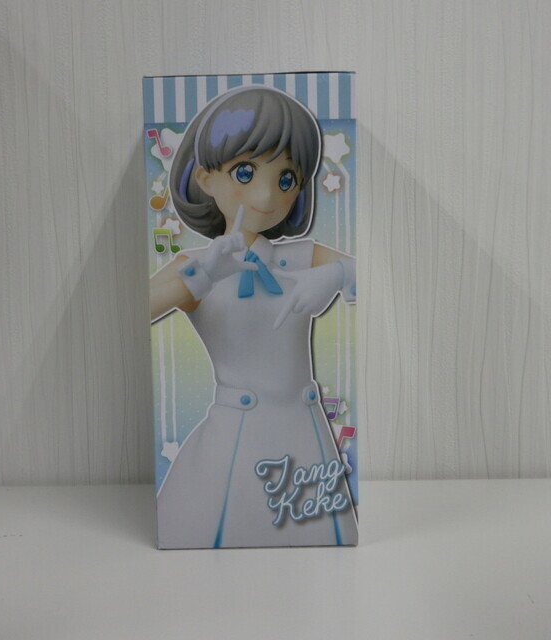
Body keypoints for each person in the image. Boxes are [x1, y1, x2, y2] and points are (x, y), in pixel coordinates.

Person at [150, 86, 358, 548]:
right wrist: (199, 278)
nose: (266, 193)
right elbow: (138, 307)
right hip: (235, 438)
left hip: (303, 441)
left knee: (317, 545)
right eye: (245, 172)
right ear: (206, 178)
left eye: (286, 178)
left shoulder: (303, 257)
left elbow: (373, 276)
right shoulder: (196, 267)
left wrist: (338, 274)